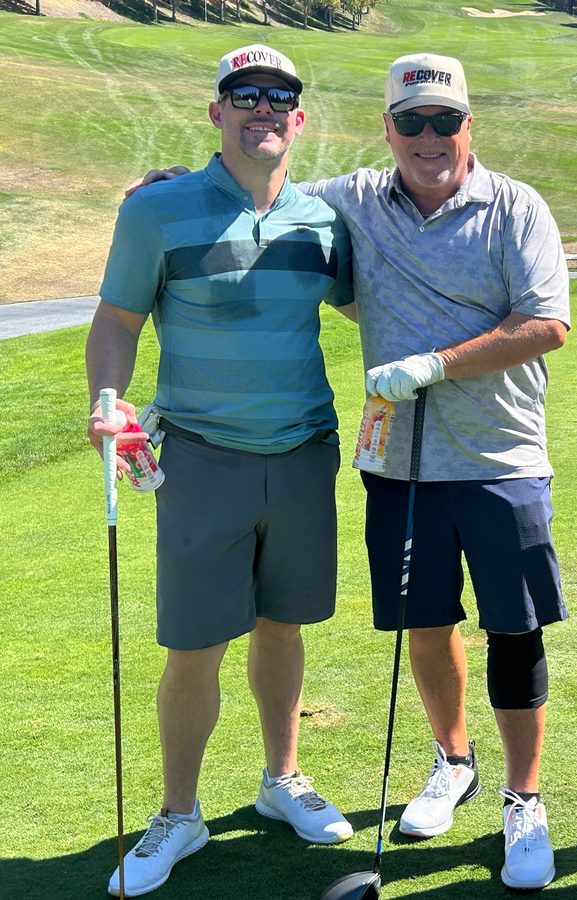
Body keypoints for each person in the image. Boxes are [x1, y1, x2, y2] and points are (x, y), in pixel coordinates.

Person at [86, 44, 355, 897]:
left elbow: (369, 301)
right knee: (193, 644)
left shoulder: (323, 219)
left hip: (305, 449)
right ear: (217, 113)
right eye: (244, 96)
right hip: (200, 457)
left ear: (299, 120)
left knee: (284, 626)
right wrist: (106, 397)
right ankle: (179, 812)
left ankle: (282, 780)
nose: (262, 108)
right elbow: (119, 318)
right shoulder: (158, 210)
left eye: (280, 97)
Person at [303, 53, 571, 891]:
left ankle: (523, 798)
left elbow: (548, 324)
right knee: (425, 620)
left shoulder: (516, 207)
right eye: (411, 121)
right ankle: (452, 761)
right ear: (386, 128)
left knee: (513, 627)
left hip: (500, 457)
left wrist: (432, 366)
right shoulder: (352, 197)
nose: (429, 136)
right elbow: (266, 198)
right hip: (398, 462)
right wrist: (159, 192)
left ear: (468, 125)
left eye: (445, 120)